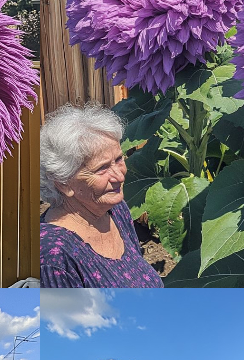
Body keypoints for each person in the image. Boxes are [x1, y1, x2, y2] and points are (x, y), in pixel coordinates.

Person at [40, 104, 164, 288]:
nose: (120, 175)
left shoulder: (114, 210)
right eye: (102, 168)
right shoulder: (53, 256)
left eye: (119, 159)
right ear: (63, 183)